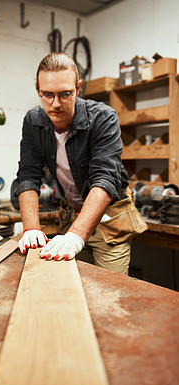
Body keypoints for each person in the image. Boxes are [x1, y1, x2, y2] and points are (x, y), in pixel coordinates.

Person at [15, 52, 147, 275]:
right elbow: (28, 175)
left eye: (65, 94)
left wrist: (76, 236)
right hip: (72, 215)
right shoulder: (32, 122)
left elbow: (106, 179)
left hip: (110, 221)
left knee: (109, 289)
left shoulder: (103, 118)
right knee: (73, 282)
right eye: (47, 94)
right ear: (37, 89)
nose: (56, 104)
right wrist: (31, 229)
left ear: (78, 88)